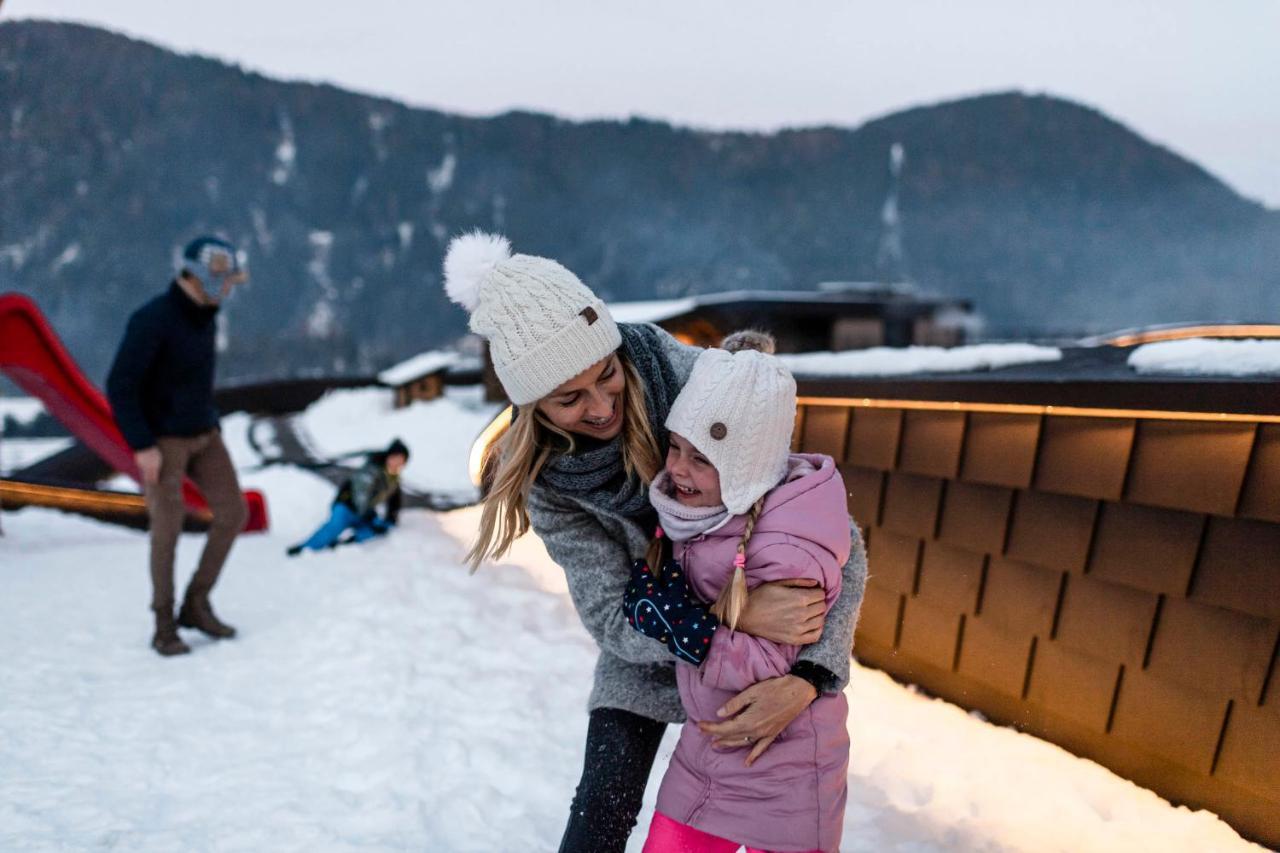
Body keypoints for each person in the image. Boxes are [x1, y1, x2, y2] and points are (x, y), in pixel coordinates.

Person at [442, 231, 867, 852]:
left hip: (763, 654)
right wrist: (731, 615)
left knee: (769, 805)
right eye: (569, 398)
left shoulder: (683, 375)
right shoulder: (550, 485)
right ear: (532, 406)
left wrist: (811, 673)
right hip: (655, 639)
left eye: (606, 374)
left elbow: (837, 544)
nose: (600, 404)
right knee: (601, 810)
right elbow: (612, 619)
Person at [625, 331, 851, 853]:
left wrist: (688, 626)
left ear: (747, 469)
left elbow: (773, 664)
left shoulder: (786, 542)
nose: (678, 468)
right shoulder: (697, 515)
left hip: (785, 766)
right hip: (708, 747)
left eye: (701, 458)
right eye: (675, 448)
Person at [106, 236, 249, 657]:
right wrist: (142, 445)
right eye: (225, 280)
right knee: (167, 531)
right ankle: (164, 625)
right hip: (163, 442)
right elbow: (120, 385)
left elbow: (194, 379)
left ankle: (196, 604)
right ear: (201, 274)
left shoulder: (207, 315)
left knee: (233, 512)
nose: (229, 289)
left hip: (205, 434)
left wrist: (210, 419)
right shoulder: (152, 320)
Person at [287, 438, 408, 555]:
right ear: (388, 456)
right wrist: (367, 513)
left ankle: (346, 542)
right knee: (333, 528)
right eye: (395, 458)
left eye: (402, 460)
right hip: (346, 506)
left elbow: (394, 498)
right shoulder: (372, 470)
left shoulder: (393, 477)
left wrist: (391, 516)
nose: (398, 462)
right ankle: (304, 549)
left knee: (377, 528)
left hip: (363, 511)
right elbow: (361, 493)